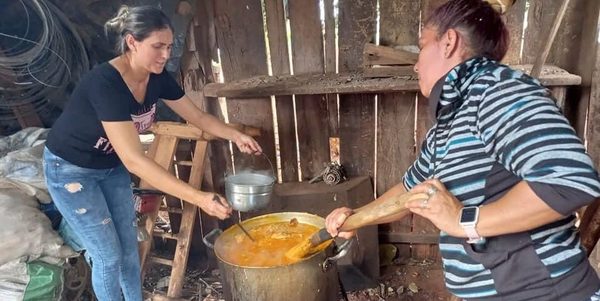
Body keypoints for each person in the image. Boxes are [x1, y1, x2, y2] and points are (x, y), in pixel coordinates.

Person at [325, 0, 600, 300]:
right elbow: (411, 191)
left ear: (448, 43)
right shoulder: (452, 118)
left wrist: (462, 220)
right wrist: (354, 219)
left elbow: (568, 180)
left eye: (422, 47)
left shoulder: (496, 90)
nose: (416, 64)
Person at [42, 6, 262, 301]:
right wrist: (198, 197)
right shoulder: (105, 84)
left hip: (110, 167)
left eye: (169, 47)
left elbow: (197, 117)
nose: (165, 55)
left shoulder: (157, 77)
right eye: (157, 46)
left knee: (128, 251)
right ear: (132, 42)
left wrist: (234, 134)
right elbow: (135, 160)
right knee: (108, 257)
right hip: (70, 171)